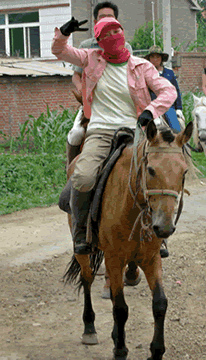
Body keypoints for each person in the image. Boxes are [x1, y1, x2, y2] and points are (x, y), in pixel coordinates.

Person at [52, 16, 177, 255]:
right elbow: (59, 50)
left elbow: (168, 90)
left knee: (158, 174)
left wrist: (150, 112)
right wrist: (64, 33)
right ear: (98, 41)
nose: (112, 38)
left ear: (123, 34)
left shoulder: (142, 66)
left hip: (135, 131)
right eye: (106, 35)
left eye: (116, 32)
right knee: (83, 177)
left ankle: (158, 233)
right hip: (99, 131)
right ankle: (81, 232)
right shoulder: (89, 59)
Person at [66, 1, 134, 169]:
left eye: (110, 17)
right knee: (76, 134)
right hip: (92, 104)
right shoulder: (86, 46)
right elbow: (76, 75)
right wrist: (82, 92)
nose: (106, 20)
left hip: (120, 103)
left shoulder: (126, 47)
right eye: (102, 17)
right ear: (95, 21)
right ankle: (70, 170)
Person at [145, 45, 184, 132]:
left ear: (162, 58)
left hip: (168, 106)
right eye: (152, 57)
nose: (155, 59)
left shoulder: (169, 73)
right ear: (149, 59)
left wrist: (179, 108)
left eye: (157, 57)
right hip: (152, 106)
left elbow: (176, 90)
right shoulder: (145, 74)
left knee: (176, 129)